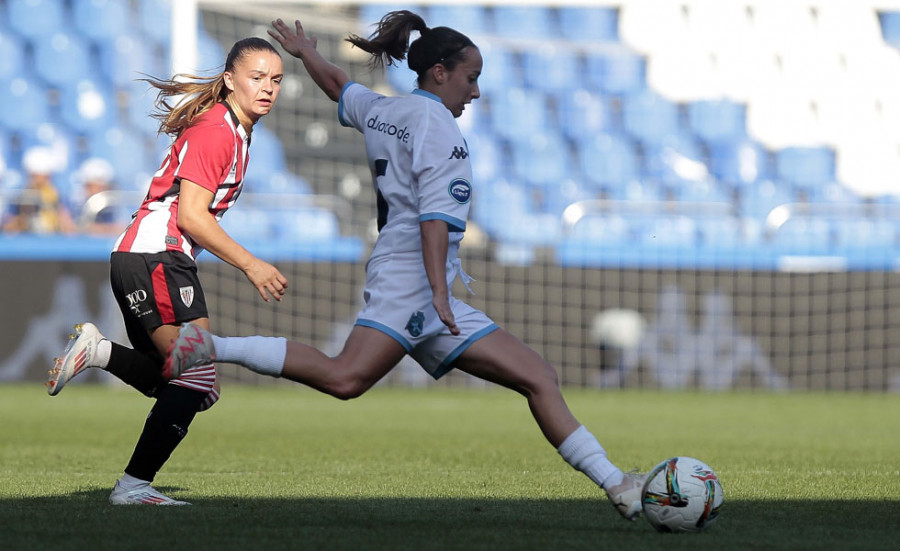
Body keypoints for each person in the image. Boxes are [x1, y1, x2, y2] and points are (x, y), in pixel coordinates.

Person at [168, 11, 646, 520]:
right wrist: (439, 294)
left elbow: (339, 87)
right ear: (439, 72)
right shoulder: (441, 130)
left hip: (412, 272)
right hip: (416, 277)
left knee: (538, 376)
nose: (476, 92)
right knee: (345, 378)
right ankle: (210, 347)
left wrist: (307, 54)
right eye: (471, 78)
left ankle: (618, 485)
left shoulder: (384, 110)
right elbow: (435, 221)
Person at [47, 37, 289, 506]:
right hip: (154, 256)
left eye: (276, 79)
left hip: (159, 259)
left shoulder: (237, 129)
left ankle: (99, 353)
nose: (267, 88)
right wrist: (252, 264)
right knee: (194, 378)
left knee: (196, 386)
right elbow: (192, 217)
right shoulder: (218, 130)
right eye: (256, 77)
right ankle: (133, 487)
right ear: (230, 81)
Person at [2, 146, 76, 234]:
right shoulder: (20, 199)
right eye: (33, 176)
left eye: (39, 176)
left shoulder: (59, 198)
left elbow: (71, 230)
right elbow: (7, 228)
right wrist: (22, 218)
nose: (36, 181)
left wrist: (57, 215)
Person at [71, 157, 125, 236]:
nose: (102, 190)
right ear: (87, 186)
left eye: (104, 186)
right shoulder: (75, 204)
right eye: (98, 186)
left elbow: (120, 227)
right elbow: (71, 228)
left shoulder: (108, 204)